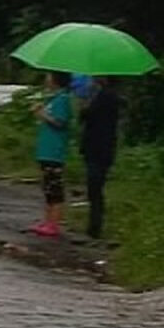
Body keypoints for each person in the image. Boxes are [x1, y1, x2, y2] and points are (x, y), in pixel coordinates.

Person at [31, 71, 73, 238]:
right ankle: (47, 221)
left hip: (54, 150)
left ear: (56, 80)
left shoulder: (63, 99)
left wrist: (43, 115)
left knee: (54, 188)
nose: (46, 79)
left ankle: (54, 224)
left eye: (49, 76)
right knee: (47, 187)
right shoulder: (54, 98)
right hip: (46, 149)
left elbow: (60, 122)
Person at [80, 76, 120, 239]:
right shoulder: (101, 95)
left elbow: (88, 115)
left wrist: (87, 104)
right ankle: (93, 224)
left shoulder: (106, 97)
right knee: (93, 187)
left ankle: (95, 226)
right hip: (97, 147)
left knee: (95, 186)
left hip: (100, 148)